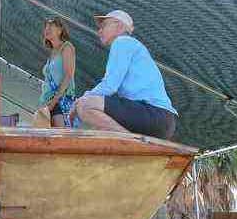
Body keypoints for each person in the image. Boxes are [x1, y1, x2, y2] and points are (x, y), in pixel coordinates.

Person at [69, 10, 177, 140]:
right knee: (99, 121)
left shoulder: (123, 42)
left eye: (104, 26)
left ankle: (131, 141)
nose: (99, 31)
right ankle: (130, 143)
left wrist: (81, 100)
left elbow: (109, 86)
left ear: (119, 26)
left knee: (86, 105)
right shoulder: (133, 47)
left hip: (155, 115)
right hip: (161, 122)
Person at [39, 17, 76, 127]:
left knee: (60, 136)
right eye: (46, 27)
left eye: (51, 26)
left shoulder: (67, 47)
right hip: (47, 100)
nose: (47, 29)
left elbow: (69, 76)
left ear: (60, 30)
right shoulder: (52, 53)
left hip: (60, 100)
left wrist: (54, 101)